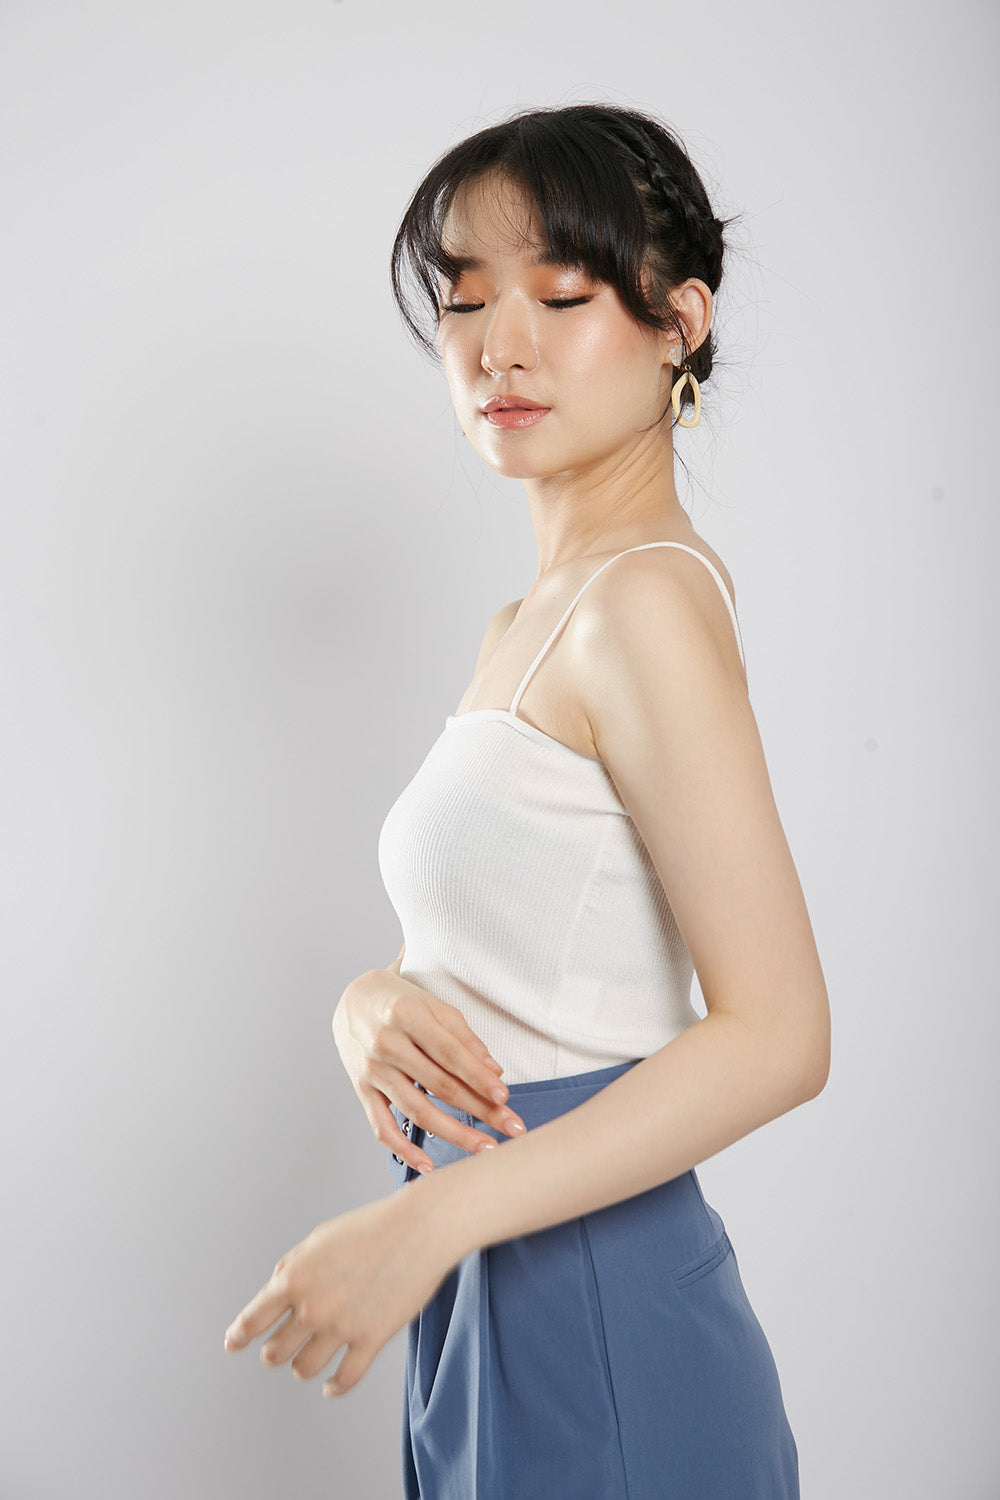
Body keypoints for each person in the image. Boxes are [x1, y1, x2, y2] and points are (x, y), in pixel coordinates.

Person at [224, 102, 831, 1499]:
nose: (500, 345)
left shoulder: (641, 608)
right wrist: (366, 1003)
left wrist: (433, 1225)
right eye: (464, 299)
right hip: (488, 1273)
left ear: (679, 323)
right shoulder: (532, 619)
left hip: (585, 1290)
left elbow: (781, 1035)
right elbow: (518, 949)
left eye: (560, 296)